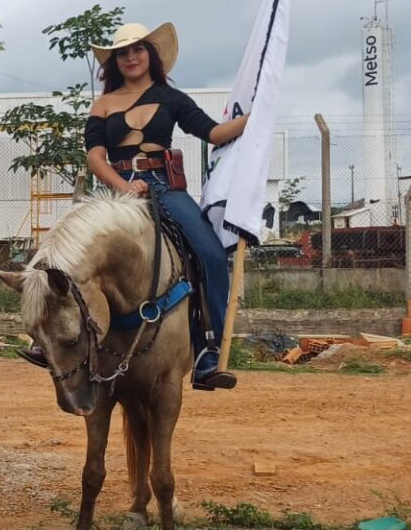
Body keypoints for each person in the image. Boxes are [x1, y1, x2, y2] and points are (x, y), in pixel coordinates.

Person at [20, 23, 246, 391]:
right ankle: (48, 338)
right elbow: (96, 157)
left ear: (151, 55)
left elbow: (214, 133)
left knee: (211, 256)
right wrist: (124, 186)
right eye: (122, 53)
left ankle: (208, 352)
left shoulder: (171, 98)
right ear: (114, 62)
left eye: (138, 49)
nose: (131, 57)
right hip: (117, 189)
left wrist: (253, 120)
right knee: (63, 254)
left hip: (165, 189)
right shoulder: (103, 104)